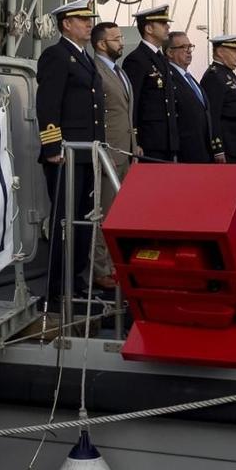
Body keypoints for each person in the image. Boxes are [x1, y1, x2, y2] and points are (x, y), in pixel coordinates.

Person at [36, 0, 104, 312]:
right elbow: (48, 104)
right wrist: (52, 147)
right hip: (65, 156)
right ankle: (55, 293)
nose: (89, 24)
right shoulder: (56, 56)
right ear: (66, 24)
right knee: (65, 223)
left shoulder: (85, 58)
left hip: (87, 156)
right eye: (82, 20)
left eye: (89, 19)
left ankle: (75, 284)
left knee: (83, 222)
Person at [88, 19, 135, 284]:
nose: (121, 42)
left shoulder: (119, 72)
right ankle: (100, 269)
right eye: (116, 39)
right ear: (101, 44)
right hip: (108, 152)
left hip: (125, 151)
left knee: (119, 213)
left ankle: (117, 263)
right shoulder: (95, 70)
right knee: (104, 211)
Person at [122, 2, 180, 161]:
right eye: (162, 23)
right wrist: (135, 141)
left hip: (166, 142)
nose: (167, 27)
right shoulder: (136, 60)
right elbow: (132, 103)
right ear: (148, 29)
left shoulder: (161, 59)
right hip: (148, 143)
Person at [166, 31, 222, 162]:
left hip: (203, 152)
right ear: (169, 52)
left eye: (190, 47)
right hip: (185, 154)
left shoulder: (189, 78)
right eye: (183, 47)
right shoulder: (169, 78)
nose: (189, 51)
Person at [202, 33, 236, 164]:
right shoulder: (214, 77)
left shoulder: (227, 74)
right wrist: (218, 149)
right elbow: (212, 116)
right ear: (220, 51)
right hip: (226, 148)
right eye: (234, 50)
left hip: (235, 147)